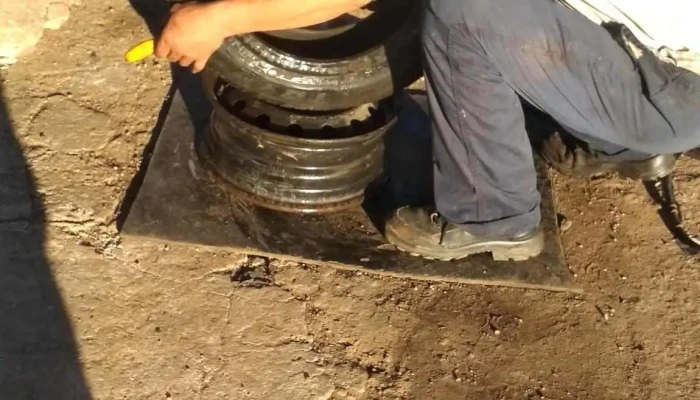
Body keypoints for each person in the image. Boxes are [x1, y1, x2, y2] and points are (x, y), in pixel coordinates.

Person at [155, 0, 700, 261]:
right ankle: (613, 140)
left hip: (667, 89)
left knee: (463, 10)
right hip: (658, 66)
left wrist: (220, 19)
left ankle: (494, 214)